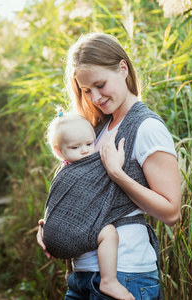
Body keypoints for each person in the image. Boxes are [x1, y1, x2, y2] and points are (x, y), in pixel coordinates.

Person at [37, 32, 182, 300]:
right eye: (86, 90)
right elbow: (88, 196)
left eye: (100, 84)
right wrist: (53, 225)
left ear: (123, 69)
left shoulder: (146, 127)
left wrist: (118, 174)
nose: (95, 97)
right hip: (81, 276)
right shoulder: (96, 129)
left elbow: (171, 212)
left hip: (127, 273)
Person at [45, 110, 135, 300]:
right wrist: (116, 166)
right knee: (109, 232)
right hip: (69, 235)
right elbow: (60, 211)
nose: (85, 150)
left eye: (89, 143)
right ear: (59, 151)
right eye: (76, 147)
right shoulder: (68, 173)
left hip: (69, 241)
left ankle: (70, 270)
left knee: (73, 225)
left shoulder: (64, 170)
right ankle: (108, 280)